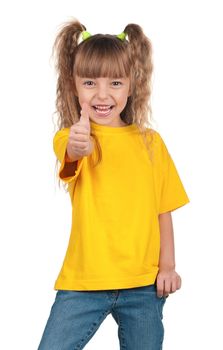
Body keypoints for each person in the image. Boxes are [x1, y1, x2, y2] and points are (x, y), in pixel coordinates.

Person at [37, 17, 190, 350]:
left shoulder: (151, 143)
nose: (102, 94)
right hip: (84, 282)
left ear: (132, 85)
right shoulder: (70, 137)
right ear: (74, 86)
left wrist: (168, 266)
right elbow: (72, 154)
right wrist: (80, 145)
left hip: (144, 286)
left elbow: (163, 211)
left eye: (115, 83)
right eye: (90, 83)